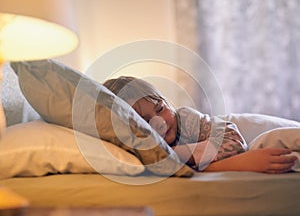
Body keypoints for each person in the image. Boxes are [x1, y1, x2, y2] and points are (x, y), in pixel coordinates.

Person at [103, 76, 298, 174]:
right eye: (145, 122)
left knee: (279, 136)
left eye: (161, 108)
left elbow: (235, 143)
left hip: (248, 129)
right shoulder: (139, 151)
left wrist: (176, 154)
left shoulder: (186, 120)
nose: (160, 121)